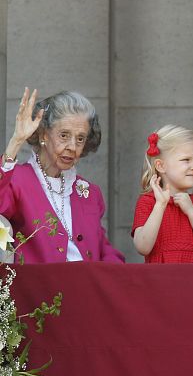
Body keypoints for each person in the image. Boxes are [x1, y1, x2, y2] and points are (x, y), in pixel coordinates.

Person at [0, 88, 125, 263]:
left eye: (80, 139)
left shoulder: (90, 192)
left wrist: (115, 272)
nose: (72, 147)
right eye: (64, 135)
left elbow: (101, 247)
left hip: (88, 285)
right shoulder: (17, 180)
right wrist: (16, 142)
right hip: (40, 287)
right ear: (44, 134)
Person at [132, 125, 193, 263]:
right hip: (160, 281)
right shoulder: (148, 202)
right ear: (161, 166)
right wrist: (160, 205)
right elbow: (142, 247)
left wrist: (191, 211)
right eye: (186, 159)